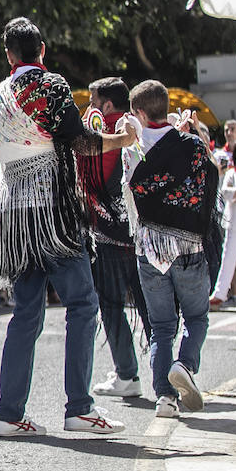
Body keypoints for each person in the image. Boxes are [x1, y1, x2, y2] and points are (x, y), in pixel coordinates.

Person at [0, 18, 135, 437]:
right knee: (83, 304)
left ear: (10, 56)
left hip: (15, 212)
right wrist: (120, 140)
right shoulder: (50, 85)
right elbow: (80, 142)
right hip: (52, 209)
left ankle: (8, 413)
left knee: (26, 312)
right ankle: (79, 407)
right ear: (43, 50)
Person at [122, 83, 220, 417]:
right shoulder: (191, 145)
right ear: (166, 108)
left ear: (138, 112)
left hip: (149, 246)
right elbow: (208, 176)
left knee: (162, 326)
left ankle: (165, 398)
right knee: (196, 317)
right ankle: (185, 364)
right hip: (188, 243)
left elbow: (131, 191)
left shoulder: (132, 149)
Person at [78, 77, 152, 400]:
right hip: (143, 235)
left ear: (107, 105)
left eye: (94, 101)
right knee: (151, 305)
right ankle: (168, 374)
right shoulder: (139, 128)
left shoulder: (109, 131)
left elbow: (90, 179)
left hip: (110, 234)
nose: (90, 107)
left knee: (110, 304)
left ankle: (127, 374)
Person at [212, 138, 236, 307]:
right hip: (235, 222)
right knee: (228, 258)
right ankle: (219, 294)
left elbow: (233, 196)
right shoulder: (232, 173)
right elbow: (225, 193)